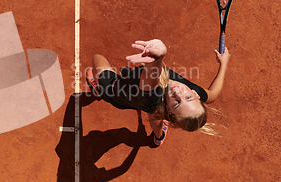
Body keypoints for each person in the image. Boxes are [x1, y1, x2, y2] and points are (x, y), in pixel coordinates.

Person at [86, 39, 230, 145]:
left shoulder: (152, 97)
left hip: (115, 90)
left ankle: (98, 89)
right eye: (188, 97)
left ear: (170, 109)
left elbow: (152, 73)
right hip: (144, 99)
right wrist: (224, 64)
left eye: (177, 104)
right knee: (154, 112)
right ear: (196, 94)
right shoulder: (166, 102)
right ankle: (159, 137)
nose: (178, 93)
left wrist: (158, 58)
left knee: (97, 59)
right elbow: (213, 93)